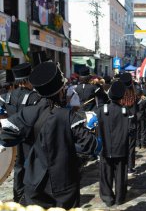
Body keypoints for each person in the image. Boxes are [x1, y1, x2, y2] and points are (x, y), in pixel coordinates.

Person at [0, 62, 100, 209]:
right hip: (65, 185)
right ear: (61, 90)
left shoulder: (28, 113)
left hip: (34, 183)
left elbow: (5, 138)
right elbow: (93, 146)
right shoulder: (70, 117)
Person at [0, 63, 40, 204]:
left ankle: (18, 197)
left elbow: (2, 115)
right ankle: (31, 198)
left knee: (18, 168)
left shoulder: (7, 97)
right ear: (28, 79)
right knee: (32, 167)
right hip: (31, 138)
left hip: (14, 140)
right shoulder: (35, 97)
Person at [95, 80, 132, 207]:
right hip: (121, 148)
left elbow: (96, 128)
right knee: (121, 174)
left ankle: (108, 197)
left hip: (105, 147)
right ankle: (120, 198)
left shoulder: (101, 110)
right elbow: (131, 130)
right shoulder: (125, 111)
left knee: (105, 174)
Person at [119, 73, 138, 176]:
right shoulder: (133, 94)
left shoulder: (119, 96)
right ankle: (130, 167)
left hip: (121, 124)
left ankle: (122, 166)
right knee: (131, 146)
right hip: (131, 123)